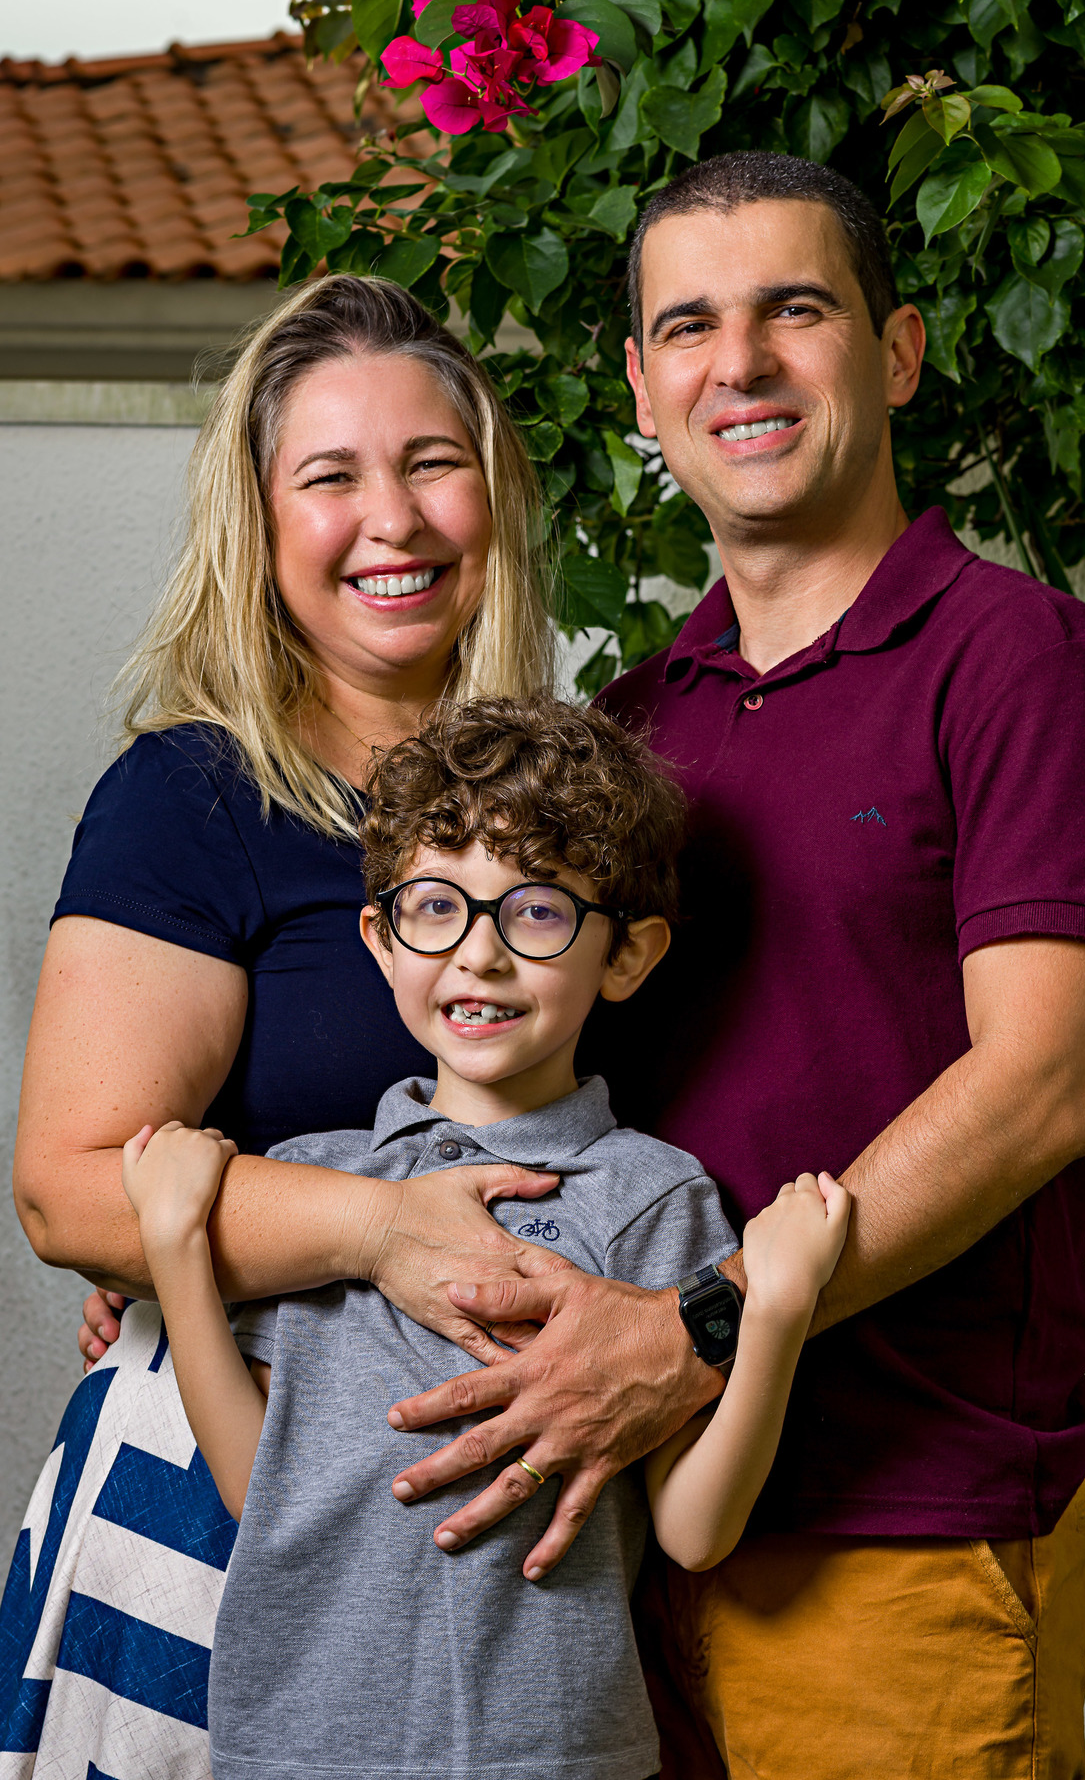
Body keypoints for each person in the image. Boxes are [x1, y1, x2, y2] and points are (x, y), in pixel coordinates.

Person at [356, 155, 1085, 1778]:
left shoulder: (1022, 663)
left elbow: (1044, 1085)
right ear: (647, 387)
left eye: (795, 308)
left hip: (898, 1537)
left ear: (898, 350)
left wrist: (698, 1326)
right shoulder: (636, 717)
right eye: (690, 326)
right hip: (627, 1534)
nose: (740, 362)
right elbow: (518, 1041)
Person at [2, 273, 564, 1769]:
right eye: (331, 476)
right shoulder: (196, 798)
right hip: (218, 1500)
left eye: (433, 462)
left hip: (509, 1531)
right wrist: (368, 1230)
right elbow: (69, 1180)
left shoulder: (577, 801)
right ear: (259, 524)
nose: (394, 518)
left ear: (493, 493)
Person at [117, 695, 849, 1780]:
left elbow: (692, 1531)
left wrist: (776, 1311)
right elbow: (253, 1485)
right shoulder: (314, 1183)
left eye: (538, 911)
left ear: (628, 955)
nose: (480, 955)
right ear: (381, 934)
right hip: (297, 1743)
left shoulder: (656, 1199)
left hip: (552, 1750)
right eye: (436, 906)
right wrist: (178, 1238)